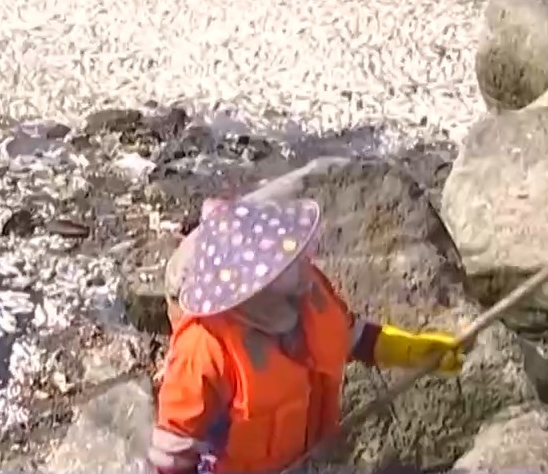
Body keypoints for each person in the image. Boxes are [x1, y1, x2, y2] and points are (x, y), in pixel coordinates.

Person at [148, 198, 465, 474]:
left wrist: (412, 351)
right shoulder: (204, 346)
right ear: (251, 288)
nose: (300, 274)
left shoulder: (307, 290)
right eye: (282, 269)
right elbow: (174, 448)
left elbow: (352, 337)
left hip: (310, 457)